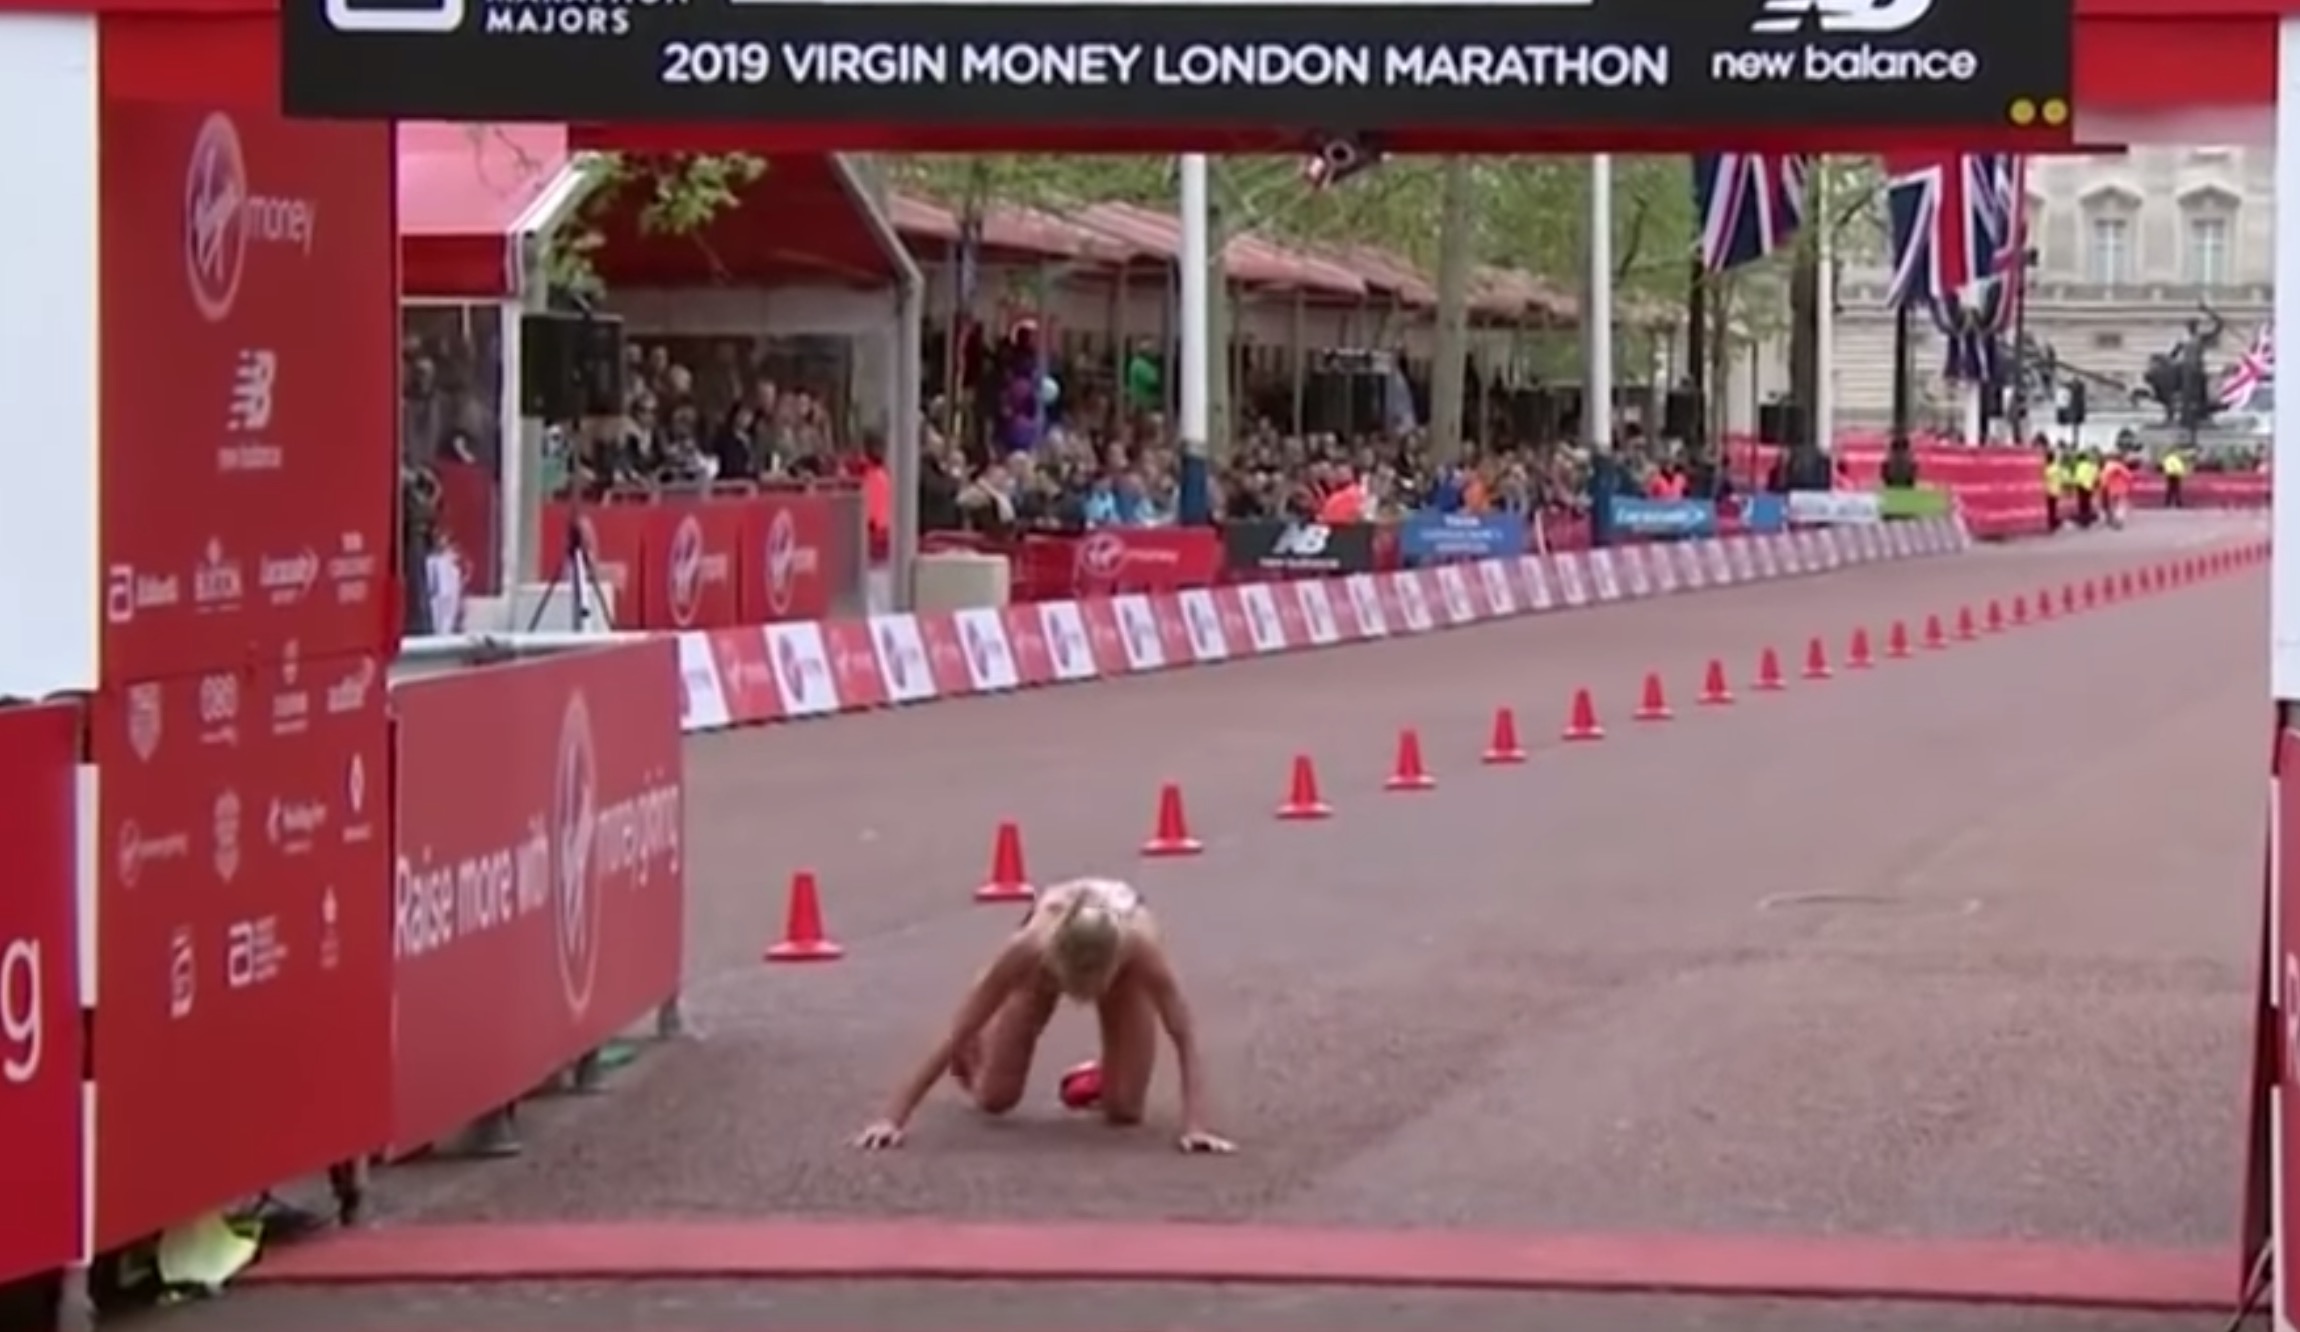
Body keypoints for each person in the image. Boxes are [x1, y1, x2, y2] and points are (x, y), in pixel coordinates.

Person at [852, 877, 1235, 1154]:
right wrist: (893, 1117)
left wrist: (1195, 1125)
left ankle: (1104, 1073)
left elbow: (1182, 1032)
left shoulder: (1141, 949)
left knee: (1125, 1111)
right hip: (1046, 966)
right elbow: (961, 1023)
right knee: (995, 1098)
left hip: (1120, 969)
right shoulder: (1030, 948)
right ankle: (982, 1051)